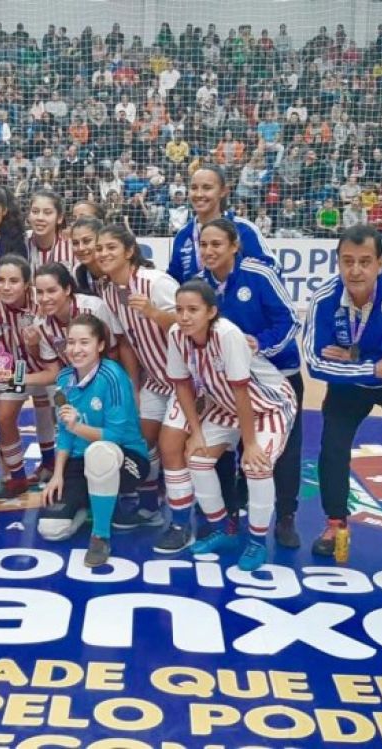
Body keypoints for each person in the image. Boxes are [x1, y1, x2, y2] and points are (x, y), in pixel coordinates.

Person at [304, 224, 382, 570]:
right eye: (348, 261)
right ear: (337, 262)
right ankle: (335, 524)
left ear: (380, 263)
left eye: (364, 261)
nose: (356, 270)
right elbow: (315, 363)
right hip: (354, 385)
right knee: (332, 448)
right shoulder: (324, 298)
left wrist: (352, 359)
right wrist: (373, 366)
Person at [166, 280, 297, 570]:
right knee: (197, 458)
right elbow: (182, 386)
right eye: (179, 309)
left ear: (211, 311)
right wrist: (196, 433)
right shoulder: (176, 334)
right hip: (226, 405)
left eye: (193, 310)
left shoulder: (228, 334)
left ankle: (257, 543)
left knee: (256, 465)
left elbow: (242, 391)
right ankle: (223, 530)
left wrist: (249, 444)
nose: (184, 316)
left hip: (268, 405)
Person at [196, 218, 304, 548]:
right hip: (230, 385)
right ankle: (230, 515)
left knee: (282, 454)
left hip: (278, 377)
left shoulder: (258, 274)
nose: (209, 251)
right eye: (203, 245)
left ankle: (285, 517)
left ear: (234, 246)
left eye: (216, 244)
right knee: (225, 451)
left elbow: (290, 320)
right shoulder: (199, 284)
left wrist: (259, 344)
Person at [40, 314, 150, 567]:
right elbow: (64, 433)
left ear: (100, 345)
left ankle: (100, 536)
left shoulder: (113, 376)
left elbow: (114, 436)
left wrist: (76, 426)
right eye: (71, 342)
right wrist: (57, 474)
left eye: (84, 342)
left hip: (126, 458)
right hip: (81, 460)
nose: (76, 349)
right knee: (51, 529)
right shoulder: (64, 380)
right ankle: (92, 502)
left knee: (99, 452)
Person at [97, 224, 179, 528]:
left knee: (174, 448)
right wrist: (133, 386)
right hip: (155, 380)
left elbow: (191, 324)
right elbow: (127, 343)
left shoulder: (156, 282)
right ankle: (149, 505)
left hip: (187, 382)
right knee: (140, 440)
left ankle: (188, 518)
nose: (103, 253)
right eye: (100, 248)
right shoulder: (108, 290)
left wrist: (155, 313)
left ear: (130, 251)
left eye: (111, 247)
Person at [0, 255, 61, 498]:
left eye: (14, 281)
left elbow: (50, 354)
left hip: (51, 365)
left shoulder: (42, 302)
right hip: (17, 368)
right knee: (4, 416)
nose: (6, 287)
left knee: (52, 410)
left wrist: (34, 347)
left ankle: (51, 463)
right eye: (1, 280)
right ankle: (17, 478)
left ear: (27, 284)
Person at [167, 165, 271, 283]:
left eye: (207, 188)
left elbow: (269, 269)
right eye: (194, 188)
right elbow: (174, 281)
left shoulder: (244, 230)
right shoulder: (183, 235)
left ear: (223, 191)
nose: (199, 194)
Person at [26, 190, 77, 272]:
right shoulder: (20, 242)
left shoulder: (72, 247)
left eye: (47, 213)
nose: (40, 218)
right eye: (35, 212)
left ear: (59, 218)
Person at [69, 216, 106, 296]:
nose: (80, 248)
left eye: (87, 241)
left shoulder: (117, 269)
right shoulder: (78, 272)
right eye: (75, 243)